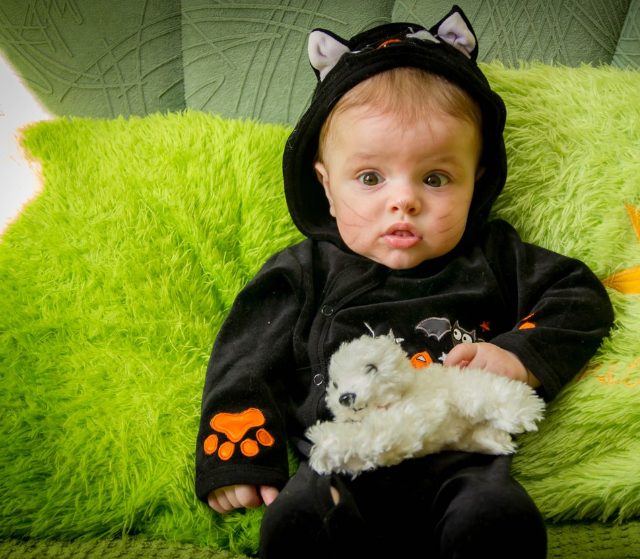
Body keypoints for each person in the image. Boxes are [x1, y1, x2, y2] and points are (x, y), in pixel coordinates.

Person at [195, 6, 614, 559]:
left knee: (501, 523)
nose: (404, 201)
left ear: (476, 180)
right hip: (337, 464)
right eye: (370, 177)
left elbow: (579, 297)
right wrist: (236, 459)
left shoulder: (494, 256)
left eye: (436, 178)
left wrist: (519, 356)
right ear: (326, 186)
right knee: (293, 526)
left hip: (462, 465)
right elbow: (246, 357)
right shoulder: (304, 270)